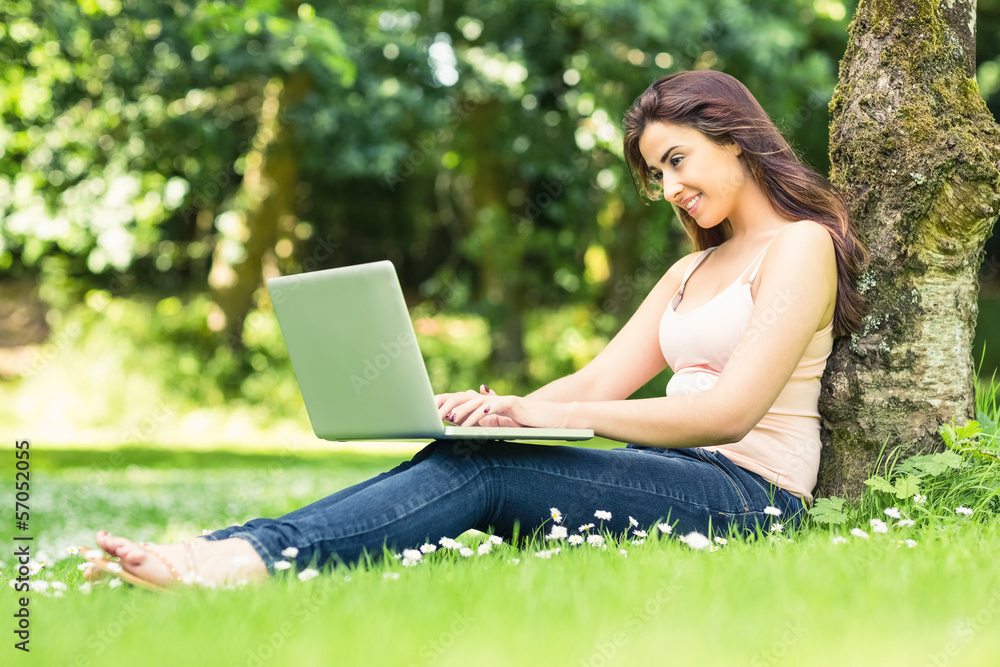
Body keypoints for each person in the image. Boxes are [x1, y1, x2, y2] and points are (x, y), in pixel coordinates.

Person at [85, 70, 866, 590]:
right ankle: (216, 549)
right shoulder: (691, 272)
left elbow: (728, 413)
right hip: (674, 474)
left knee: (489, 474)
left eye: (676, 160)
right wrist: (505, 408)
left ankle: (238, 560)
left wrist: (552, 418)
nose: (669, 189)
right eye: (656, 174)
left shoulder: (801, 247)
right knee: (467, 451)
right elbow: (596, 384)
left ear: (735, 137)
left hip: (747, 495)